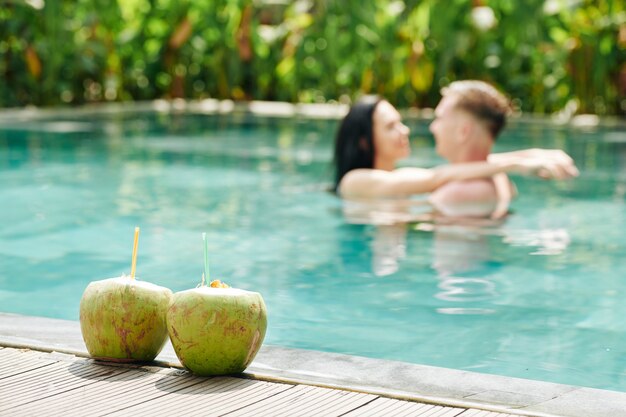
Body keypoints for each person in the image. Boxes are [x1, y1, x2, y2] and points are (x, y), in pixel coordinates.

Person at [334, 84, 578, 219]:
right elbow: (440, 176)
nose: (405, 130)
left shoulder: (404, 177)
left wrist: (532, 155)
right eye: (391, 126)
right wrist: (519, 164)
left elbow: (454, 172)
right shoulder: (354, 181)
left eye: (400, 122)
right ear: (364, 141)